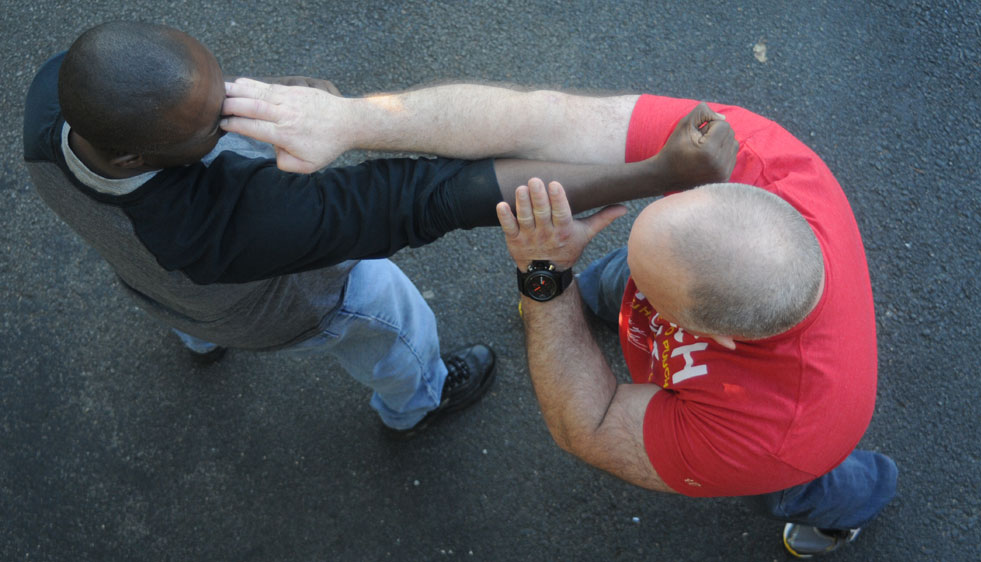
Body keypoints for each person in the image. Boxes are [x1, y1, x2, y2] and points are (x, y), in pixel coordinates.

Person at [221, 86, 896, 557]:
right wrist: (349, 120)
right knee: (616, 284)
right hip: (707, 298)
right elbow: (539, 119)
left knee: (800, 489)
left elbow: (593, 424)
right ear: (731, 194)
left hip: (794, 451)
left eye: (653, 294)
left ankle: (851, 508)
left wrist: (546, 277)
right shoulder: (753, 155)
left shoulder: (771, 434)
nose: (634, 283)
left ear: (712, 337)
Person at [23, 22, 736, 440]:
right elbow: (427, 195)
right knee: (391, 322)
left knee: (183, 307)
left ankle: (200, 342)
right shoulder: (234, 225)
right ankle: (417, 401)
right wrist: (654, 171)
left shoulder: (57, 102)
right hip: (291, 302)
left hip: (155, 281)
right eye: (218, 122)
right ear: (132, 156)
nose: (241, 108)